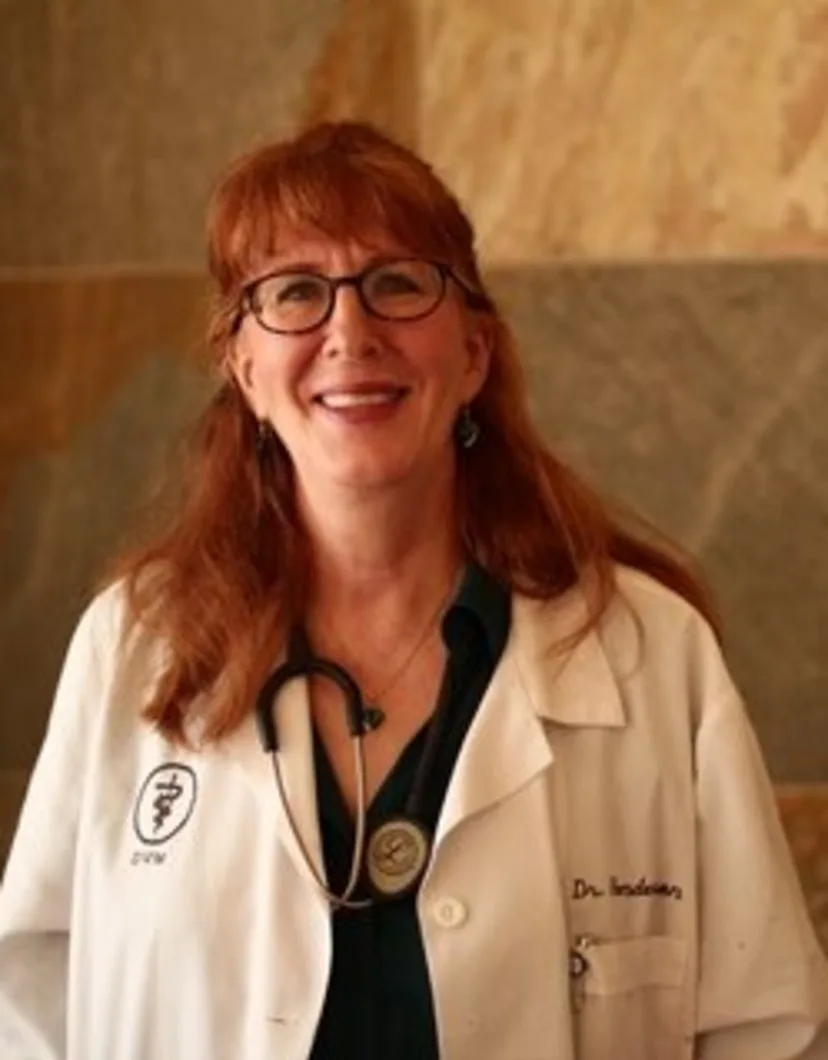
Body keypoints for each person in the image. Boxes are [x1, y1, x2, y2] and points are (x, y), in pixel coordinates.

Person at [0, 120, 826, 1060]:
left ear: (472, 354)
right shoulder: (134, 644)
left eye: (397, 283)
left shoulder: (650, 652)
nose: (350, 333)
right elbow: (30, 1004)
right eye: (297, 293)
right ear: (244, 368)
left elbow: (767, 1028)